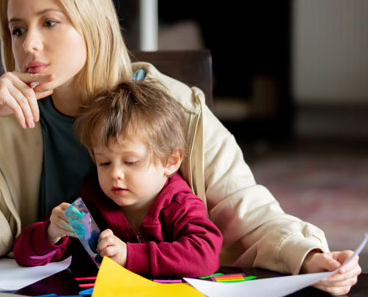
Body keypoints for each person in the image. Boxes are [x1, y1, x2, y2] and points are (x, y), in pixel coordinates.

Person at [0, 0, 361, 295]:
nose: (30, 44)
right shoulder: (8, 124)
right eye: (17, 30)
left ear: (92, 24)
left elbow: (245, 211)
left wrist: (309, 257)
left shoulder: (172, 107)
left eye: (50, 22)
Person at [12, 81, 223, 278]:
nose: (115, 174)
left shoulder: (180, 205)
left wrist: (129, 255)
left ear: (171, 161)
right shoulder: (89, 205)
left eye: (131, 162)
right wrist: (51, 232)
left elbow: (206, 256)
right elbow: (24, 256)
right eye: (104, 163)